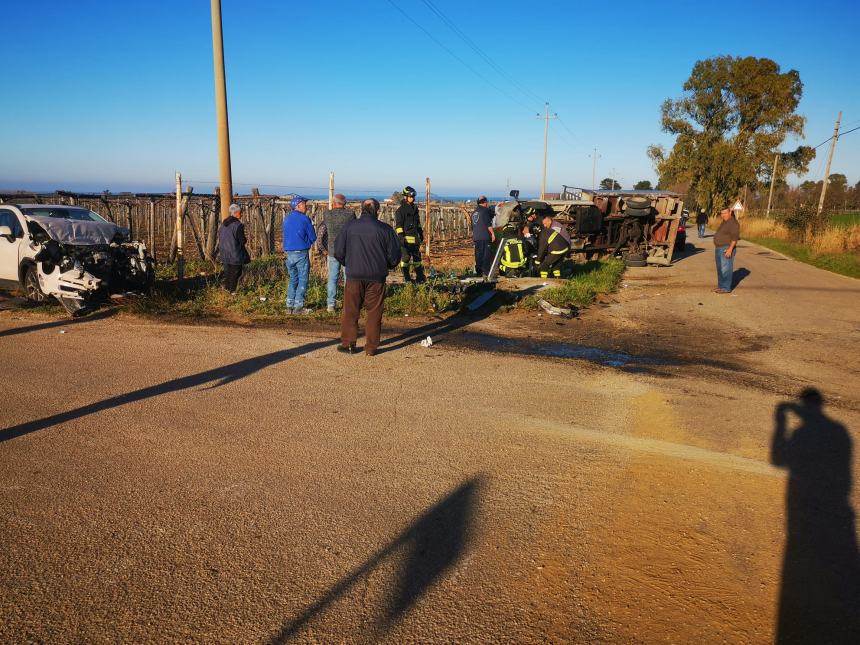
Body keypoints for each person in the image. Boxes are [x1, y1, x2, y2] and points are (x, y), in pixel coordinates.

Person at [334, 198, 401, 356]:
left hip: (354, 275)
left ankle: (348, 343)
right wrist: (387, 266)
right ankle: (371, 347)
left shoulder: (349, 227)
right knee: (374, 312)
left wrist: (348, 263)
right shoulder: (385, 229)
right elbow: (394, 254)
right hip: (377, 277)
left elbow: (338, 251)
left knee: (350, 310)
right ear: (377, 211)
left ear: (361, 209)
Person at [318, 193, 355, 312]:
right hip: (347, 252)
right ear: (345, 203)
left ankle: (330, 305)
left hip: (332, 252)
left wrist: (323, 249)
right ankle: (348, 304)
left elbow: (321, 233)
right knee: (348, 279)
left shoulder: (327, 214)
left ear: (333, 203)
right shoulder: (350, 214)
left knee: (332, 278)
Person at [282, 195, 316, 314]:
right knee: (303, 279)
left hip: (289, 253)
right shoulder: (304, 219)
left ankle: (289, 305)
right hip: (301, 252)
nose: (306, 206)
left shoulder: (286, 218)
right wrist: (308, 242)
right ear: (298, 205)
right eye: (304, 204)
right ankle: (298, 307)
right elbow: (313, 236)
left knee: (293, 279)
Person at [394, 186, 425, 283]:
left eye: (414, 196)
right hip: (406, 241)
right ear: (405, 197)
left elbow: (418, 223)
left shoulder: (415, 209)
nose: (413, 198)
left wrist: (421, 233)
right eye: (411, 196)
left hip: (415, 240)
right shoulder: (400, 211)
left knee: (417, 260)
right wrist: (401, 237)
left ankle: (420, 278)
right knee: (405, 260)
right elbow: (398, 226)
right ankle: (407, 278)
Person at [218, 203, 251, 293]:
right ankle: (232, 292)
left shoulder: (223, 225)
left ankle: (226, 288)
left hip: (224, 252)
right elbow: (242, 241)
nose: (242, 214)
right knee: (236, 272)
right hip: (234, 253)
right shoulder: (238, 225)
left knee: (228, 272)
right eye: (241, 212)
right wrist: (245, 239)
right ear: (236, 213)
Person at [713, 207, 740, 294]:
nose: (723, 215)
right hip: (719, 248)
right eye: (722, 213)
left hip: (726, 248)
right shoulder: (725, 221)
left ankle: (726, 288)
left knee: (726, 269)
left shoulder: (733, 223)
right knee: (720, 269)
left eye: (725, 213)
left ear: (730, 213)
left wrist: (730, 249)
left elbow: (735, 238)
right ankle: (720, 286)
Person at [535, 213, 570, 279]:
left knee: (544, 265)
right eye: (543, 224)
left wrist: (537, 261)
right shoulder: (548, 231)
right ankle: (558, 279)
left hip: (558, 249)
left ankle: (543, 281)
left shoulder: (553, 228)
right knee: (556, 265)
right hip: (564, 248)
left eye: (545, 224)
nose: (545, 226)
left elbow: (541, 250)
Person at [471, 196, 496, 276]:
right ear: (485, 202)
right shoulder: (485, 211)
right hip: (484, 236)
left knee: (478, 255)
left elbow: (473, 226)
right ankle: (486, 272)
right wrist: (492, 234)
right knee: (486, 255)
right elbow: (488, 224)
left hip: (476, 236)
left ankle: (479, 272)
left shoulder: (475, 212)